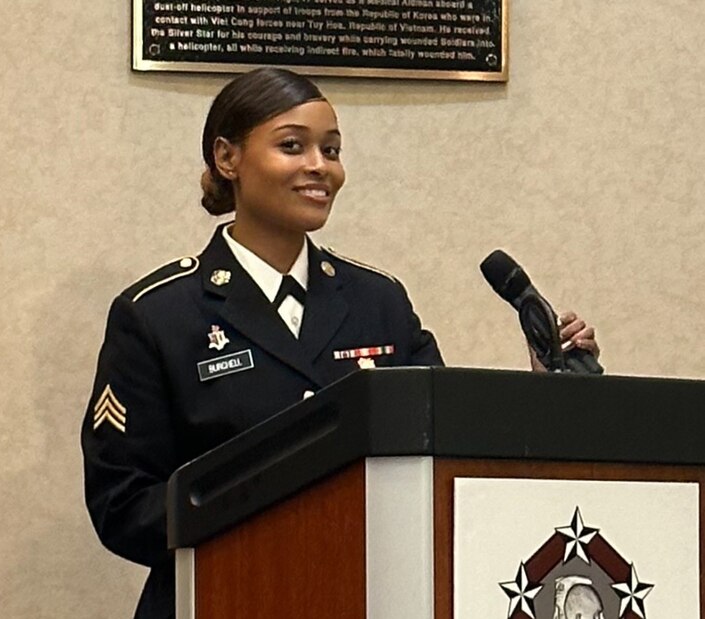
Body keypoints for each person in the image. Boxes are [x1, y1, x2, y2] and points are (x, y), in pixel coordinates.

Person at [81, 67, 600, 619]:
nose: (319, 167)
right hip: (223, 598)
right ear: (228, 159)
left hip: (371, 597)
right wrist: (261, 506)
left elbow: (447, 453)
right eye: (292, 146)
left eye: (331, 150)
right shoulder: (158, 313)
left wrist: (547, 397)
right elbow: (124, 504)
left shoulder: (379, 301)